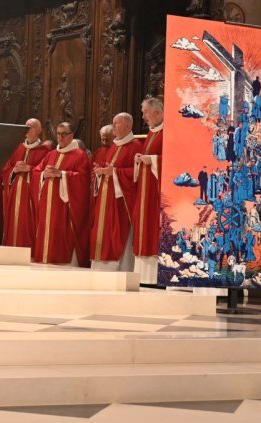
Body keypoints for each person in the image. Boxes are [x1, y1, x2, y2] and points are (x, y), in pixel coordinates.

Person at [32, 121, 92, 266]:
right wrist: (44, 175)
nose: (60, 137)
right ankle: (45, 257)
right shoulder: (51, 154)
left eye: (64, 134)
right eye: (58, 134)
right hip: (48, 204)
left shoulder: (80, 155)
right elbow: (36, 172)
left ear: (71, 136)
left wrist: (62, 175)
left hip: (64, 205)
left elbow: (84, 180)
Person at [90, 113, 142, 274]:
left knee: (119, 231)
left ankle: (120, 269)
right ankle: (100, 267)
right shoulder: (113, 147)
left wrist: (115, 172)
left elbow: (138, 173)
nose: (113, 127)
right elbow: (109, 169)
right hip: (106, 197)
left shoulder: (136, 146)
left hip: (122, 200)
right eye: (112, 124)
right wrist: (100, 172)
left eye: (116, 124)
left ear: (128, 125)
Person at [1, 118, 54, 248]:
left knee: (28, 222)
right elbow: (6, 170)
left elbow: (44, 172)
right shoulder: (17, 148)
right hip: (14, 194)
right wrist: (14, 170)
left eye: (31, 127)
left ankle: (29, 251)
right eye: (26, 127)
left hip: (31, 195)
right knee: (13, 221)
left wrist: (29, 169)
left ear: (39, 130)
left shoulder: (45, 150)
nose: (27, 129)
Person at [132, 96, 165, 286]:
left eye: (145, 112)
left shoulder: (167, 133)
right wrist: (141, 159)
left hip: (156, 193)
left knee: (153, 225)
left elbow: (170, 157)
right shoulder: (152, 133)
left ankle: (155, 276)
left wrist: (151, 160)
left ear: (158, 112)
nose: (143, 116)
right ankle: (144, 277)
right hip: (146, 189)